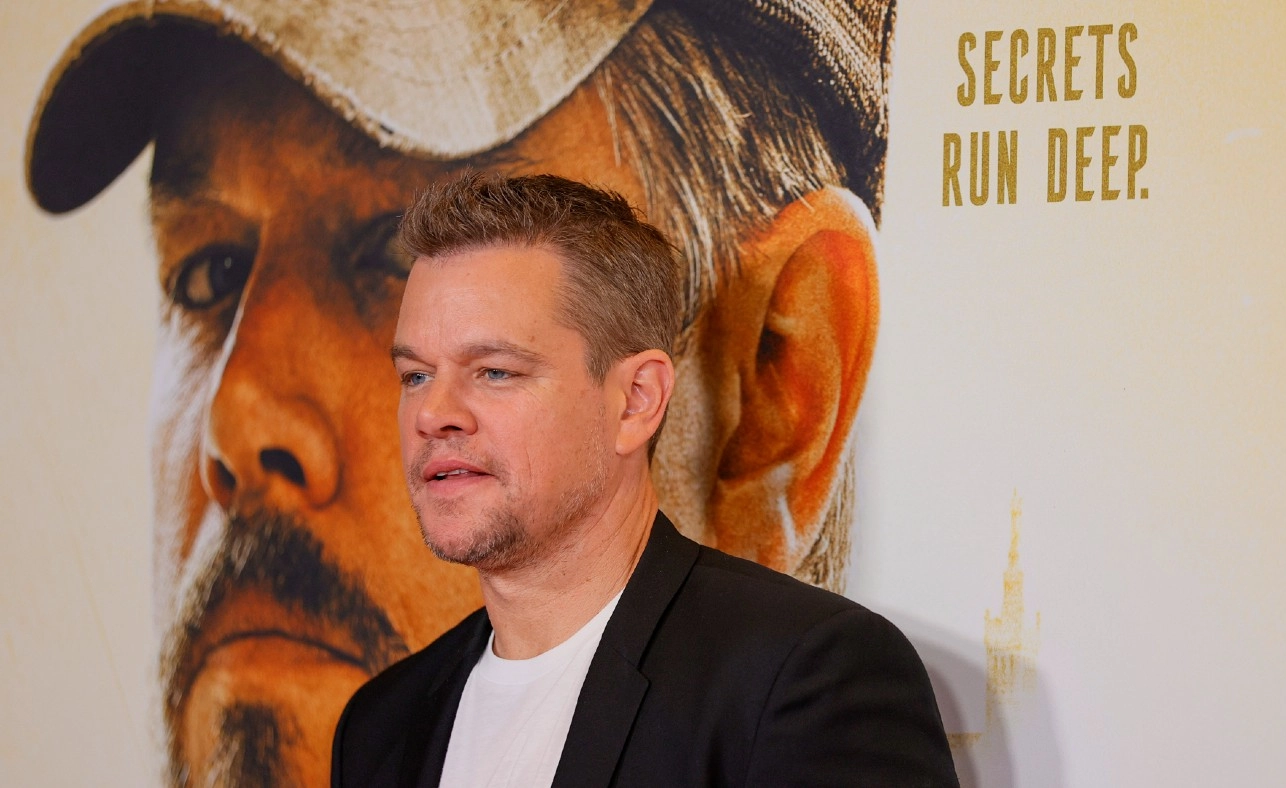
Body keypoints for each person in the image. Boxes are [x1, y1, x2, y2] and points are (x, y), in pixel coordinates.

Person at [26, 0, 892, 783]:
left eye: (392, 255)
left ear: (780, 386)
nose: (236, 417)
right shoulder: (383, 724)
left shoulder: (815, 691)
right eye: (210, 273)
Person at [331, 170, 956, 786]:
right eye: (415, 376)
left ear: (636, 400)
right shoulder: (382, 724)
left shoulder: (805, 680)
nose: (433, 414)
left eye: (495, 371)